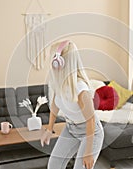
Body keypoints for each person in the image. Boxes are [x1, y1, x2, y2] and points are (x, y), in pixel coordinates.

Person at [40, 40, 104, 169]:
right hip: (70, 128)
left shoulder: (80, 89)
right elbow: (55, 105)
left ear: (61, 63)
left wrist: (88, 152)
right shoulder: (58, 83)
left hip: (91, 132)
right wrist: (49, 129)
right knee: (54, 165)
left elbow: (90, 120)